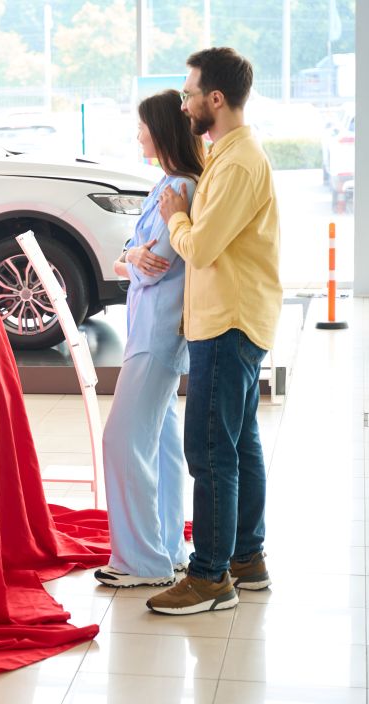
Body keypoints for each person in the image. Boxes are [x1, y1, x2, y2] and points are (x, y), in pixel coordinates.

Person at [148, 47, 282, 615]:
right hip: (238, 316)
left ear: (215, 99)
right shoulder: (228, 155)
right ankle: (247, 559)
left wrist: (175, 212)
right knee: (240, 445)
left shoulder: (237, 163)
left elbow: (201, 247)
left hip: (226, 321)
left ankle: (209, 578)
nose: (185, 102)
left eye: (189, 92)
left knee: (209, 453)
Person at [94, 90, 203, 589]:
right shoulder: (166, 185)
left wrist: (133, 258)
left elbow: (154, 263)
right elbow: (130, 257)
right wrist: (133, 258)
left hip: (157, 332)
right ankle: (167, 549)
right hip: (150, 325)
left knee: (122, 438)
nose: (136, 135)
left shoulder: (180, 187)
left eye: (141, 127)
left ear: (159, 131)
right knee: (159, 444)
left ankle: (140, 561)